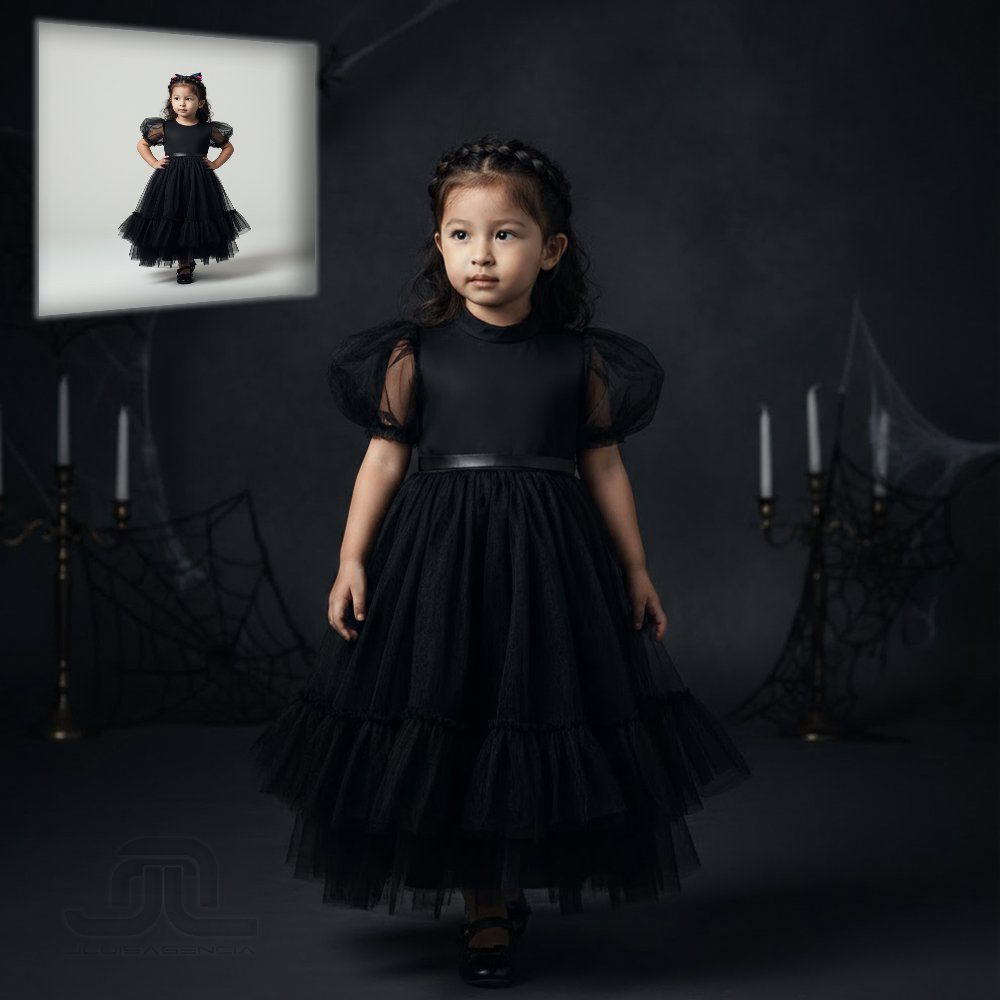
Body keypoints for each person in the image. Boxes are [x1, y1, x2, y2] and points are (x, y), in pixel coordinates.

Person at [249, 134, 751, 987]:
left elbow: (603, 465)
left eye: (506, 234)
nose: (481, 254)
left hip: (550, 562)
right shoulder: (413, 355)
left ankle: (502, 892)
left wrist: (635, 570)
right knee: (457, 703)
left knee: (531, 709)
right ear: (438, 244)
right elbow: (383, 459)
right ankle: (484, 903)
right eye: (460, 235)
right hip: (438, 558)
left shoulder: (581, 358)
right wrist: (350, 559)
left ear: (550, 250)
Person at [118, 73, 249, 283]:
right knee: (173, 216)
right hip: (170, 180)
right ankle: (182, 262)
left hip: (199, 181)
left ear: (200, 103)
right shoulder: (165, 127)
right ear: (171, 101)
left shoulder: (207, 128)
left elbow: (228, 146)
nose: (182, 103)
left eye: (188, 99)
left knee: (195, 217)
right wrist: (153, 162)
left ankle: (187, 261)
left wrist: (215, 164)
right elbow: (142, 144)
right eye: (177, 98)